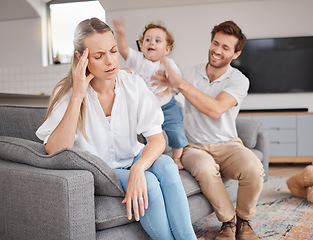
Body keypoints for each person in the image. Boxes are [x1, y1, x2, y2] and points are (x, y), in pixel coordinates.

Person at [36, 18, 196, 240]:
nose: (111, 61)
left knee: (167, 164)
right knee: (149, 183)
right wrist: (78, 96)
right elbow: (55, 150)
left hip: (131, 157)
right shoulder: (67, 95)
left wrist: (139, 168)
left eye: (113, 51)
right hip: (102, 168)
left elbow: (157, 140)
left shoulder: (133, 84)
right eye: (99, 56)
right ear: (80, 57)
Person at [153, 20, 265, 240]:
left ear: (236, 53)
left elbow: (215, 110)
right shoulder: (187, 72)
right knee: (205, 168)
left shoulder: (239, 80)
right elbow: (161, 96)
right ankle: (228, 223)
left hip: (229, 144)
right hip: (193, 147)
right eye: (215, 43)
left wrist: (182, 84)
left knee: (254, 168)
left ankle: (245, 221)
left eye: (225, 47)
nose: (217, 50)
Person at [112, 19, 188, 170]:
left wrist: (166, 65)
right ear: (141, 44)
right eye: (147, 40)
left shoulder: (168, 63)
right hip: (148, 108)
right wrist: (120, 32)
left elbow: (176, 82)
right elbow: (124, 50)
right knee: (150, 136)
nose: (151, 43)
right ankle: (153, 158)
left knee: (176, 130)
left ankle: (177, 158)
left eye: (157, 40)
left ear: (167, 49)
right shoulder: (138, 60)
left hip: (168, 105)